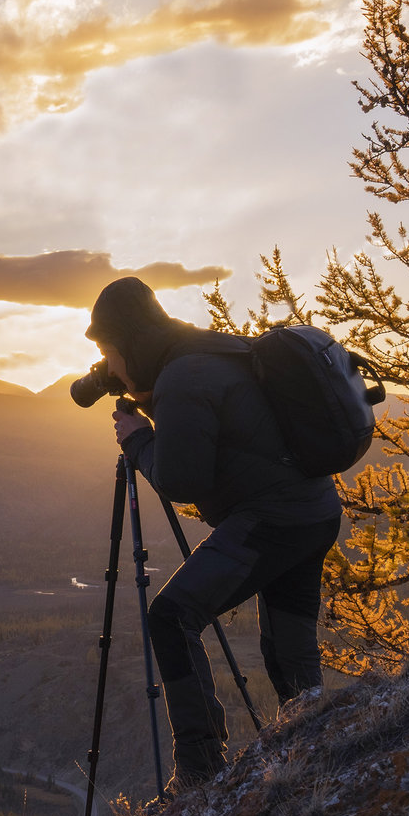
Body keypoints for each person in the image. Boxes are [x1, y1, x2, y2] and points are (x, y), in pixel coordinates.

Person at [86, 276, 342, 787]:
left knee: (172, 616)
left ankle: (201, 771)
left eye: (109, 352)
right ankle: (321, 750)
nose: (110, 367)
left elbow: (181, 480)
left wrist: (138, 442)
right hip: (313, 510)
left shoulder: (183, 377)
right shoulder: (208, 349)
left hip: (273, 518)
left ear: (128, 344)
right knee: (288, 647)